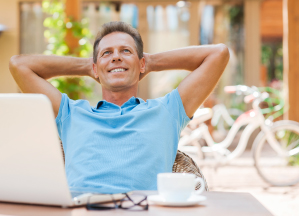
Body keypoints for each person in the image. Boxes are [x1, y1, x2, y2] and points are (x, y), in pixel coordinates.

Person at [9, 21, 229, 193]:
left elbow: (218, 54)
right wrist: (90, 66)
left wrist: (149, 62)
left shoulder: (168, 111)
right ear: (94, 68)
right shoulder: (70, 114)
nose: (116, 57)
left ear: (141, 64)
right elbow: (19, 65)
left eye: (125, 51)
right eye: (107, 53)